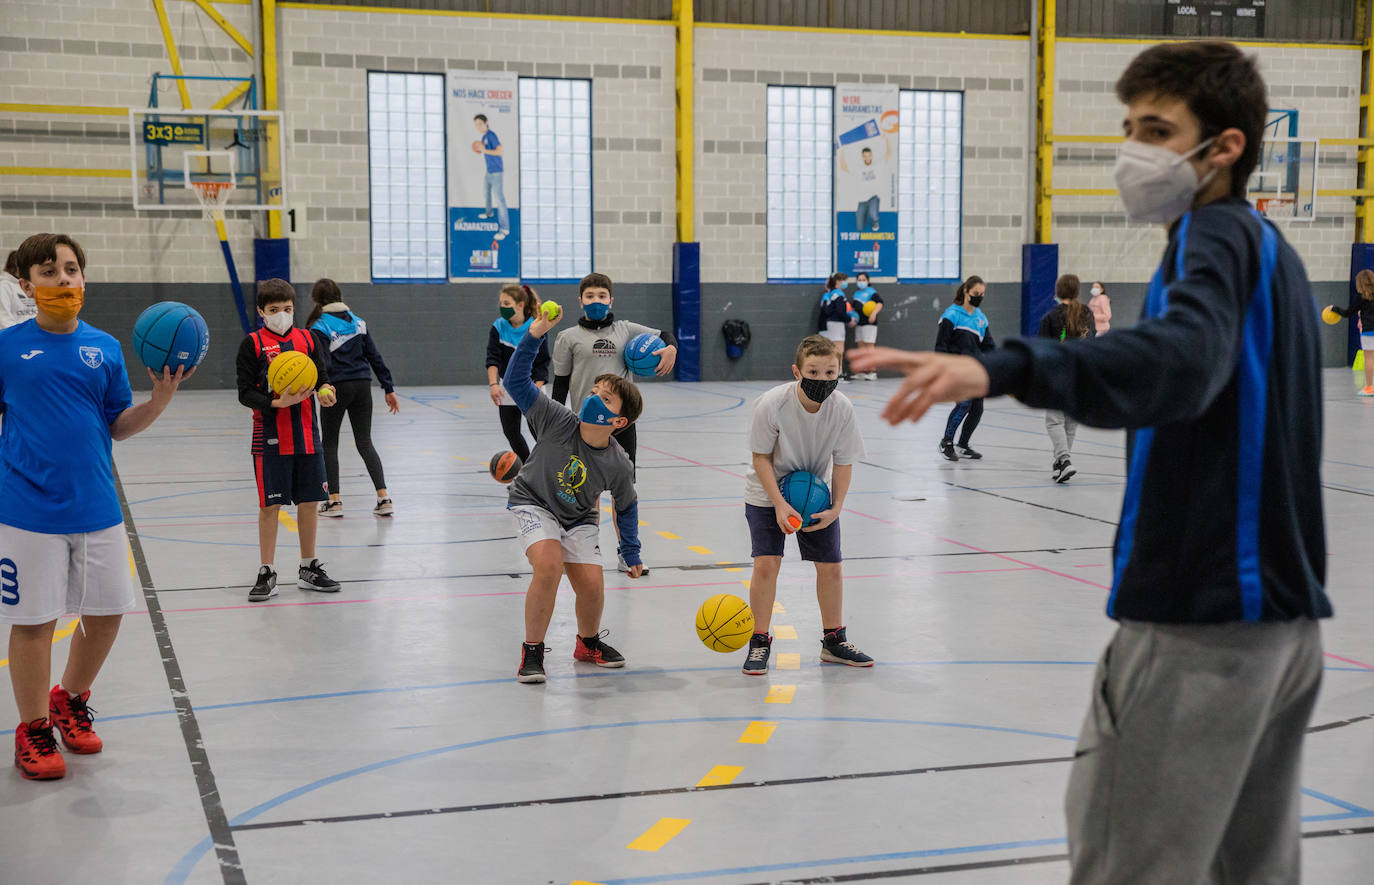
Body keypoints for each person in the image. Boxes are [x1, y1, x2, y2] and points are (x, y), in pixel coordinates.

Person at [851, 41, 1330, 885]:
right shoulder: (1272, 250)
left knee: (1129, 865)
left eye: (1157, 129)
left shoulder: (1210, 236)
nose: (1135, 149)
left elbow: (1179, 363)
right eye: (1130, 127)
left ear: (1224, 148)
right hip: (1284, 631)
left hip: (1201, 630)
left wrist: (1004, 366)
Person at [2, 233, 193, 780]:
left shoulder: (105, 349)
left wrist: (157, 402)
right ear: (26, 285)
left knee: (107, 613)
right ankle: (33, 729)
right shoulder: (6, 348)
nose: (63, 280)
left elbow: (117, 426)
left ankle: (70, 699)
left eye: (70, 270)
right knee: (33, 622)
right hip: (25, 512)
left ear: (83, 278)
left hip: (98, 506)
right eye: (48, 272)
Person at [503, 302, 645, 684]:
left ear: (618, 422)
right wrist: (533, 337)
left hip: (579, 517)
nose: (593, 396)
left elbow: (626, 504)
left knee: (593, 586)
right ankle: (532, 650)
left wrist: (630, 550)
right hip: (533, 501)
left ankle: (587, 643)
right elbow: (513, 384)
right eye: (594, 390)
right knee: (548, 566)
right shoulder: (556, 418)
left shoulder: (618, 461)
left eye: (605, 397)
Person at [740, 334, 873, 675]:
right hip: (767, 492)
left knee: (831, 566)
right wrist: (780, 505)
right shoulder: (772, 403)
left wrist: (837, 507)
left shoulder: (842, 408)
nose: (823, 379)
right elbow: (760, 458)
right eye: (814, 372)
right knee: (767, 564)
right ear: (797, 372)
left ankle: (834, 640)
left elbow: (844, 462)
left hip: (814, 493)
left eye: (830, 373)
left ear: (839, 372)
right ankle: (759, 640)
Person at [552, 272, 676, 573]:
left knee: (625, 491)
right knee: (587, 491)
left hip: (622, 426)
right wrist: (554, 422)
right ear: (580, 301)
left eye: (602, 296)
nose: (596, 301)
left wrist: (670, 348)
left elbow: (665, 335)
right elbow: (559, 385)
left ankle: (626, 553)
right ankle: (588, 549)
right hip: (585, 427)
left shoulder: (625, 330)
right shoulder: (567, 338)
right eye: (590, 296)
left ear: (611, 300)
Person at [236, 278, 342, 603]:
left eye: (287, 309)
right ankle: (267, 571)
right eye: (273, 310)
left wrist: (326, 392)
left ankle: (308, 567)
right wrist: (275, 403)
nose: (281, 315)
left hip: (308, 436)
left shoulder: (308, 339)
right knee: (270, 505)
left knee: (309, 503)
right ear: (261, 312)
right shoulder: (252, 344)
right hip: (269, 439)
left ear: (294, 308)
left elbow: (322, 377)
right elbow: (245, 393)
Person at [306, 278, 399, 518]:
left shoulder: (320, 327)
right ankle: (384, 497)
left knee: (329, 443)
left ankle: (334, 502)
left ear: (316, 300)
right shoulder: (358, 323)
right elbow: (374, 357)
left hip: (336, 388)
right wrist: (388, 387)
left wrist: (319, 387)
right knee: (365, 442)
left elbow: (322, 363)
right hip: (362, 386)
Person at [1037, 274, 1096, 483]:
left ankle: (1065, 460)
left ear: (1058, 291)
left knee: (1054, 422)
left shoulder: (1051, 317)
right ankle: (1060, 463)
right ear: (1077, 291)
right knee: (1070, 424)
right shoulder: (1087, 313)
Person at [486, 283, 550, 461]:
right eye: (501, 303)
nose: (502, 307)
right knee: (511, 433)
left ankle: (547, 471)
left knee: (540, 435)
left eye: (506, 304)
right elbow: (492, 358)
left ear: (520, 305)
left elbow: (543, 362)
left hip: (532, 387)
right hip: (507, 387)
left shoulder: (535, 326)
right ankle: (527, 471)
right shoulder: (498, 327)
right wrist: (493, 385)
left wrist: (536, 388)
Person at [933, 275, 993, 461]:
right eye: (976, 293)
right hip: (955, 370)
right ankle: (946, 442)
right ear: (966, 291)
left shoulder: (981, 319)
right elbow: (941, 346)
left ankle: (963, 445)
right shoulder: (951, 315)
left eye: (982, 294)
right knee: (963, 404)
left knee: (977, 408)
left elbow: (989, 346)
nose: (979, 297)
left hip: (974, 372)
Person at [1327, 268, 1374, 395]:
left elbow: (1348, 313)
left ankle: (1369, 387)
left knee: (1369, 359)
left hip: (1369, 331)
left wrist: (1334, 308)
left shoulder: (1361, 297)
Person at [472, 114, 509, 240]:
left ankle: (504, 229)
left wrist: (485, 151)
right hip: (489, 172)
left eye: (480, 123)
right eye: (476, 124)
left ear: (486, 123)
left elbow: (500, 151)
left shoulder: (491, 135)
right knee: (486, 192)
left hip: (497, 172)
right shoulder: (484, 137)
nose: (478, 126)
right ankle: (489, 213)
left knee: (500, 200)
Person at [850, 272, 883, 380]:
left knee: (869, 347)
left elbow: (880, 303)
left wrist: (874, 314)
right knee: (861, 347)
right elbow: (853, 308)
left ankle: (872, 371)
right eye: (859, 280)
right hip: (859, 324)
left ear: (868, 281)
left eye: (863, 279)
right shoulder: (856, 294)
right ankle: (862, 371)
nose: (861, 281)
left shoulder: (872, 292)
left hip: (869, 323)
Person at [0, 250, 38, 329]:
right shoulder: (4, 286)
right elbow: (3, 318)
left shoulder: (32, 284)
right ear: (14, 267)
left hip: (35, 334)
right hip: (15, 335)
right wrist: (18, 333)